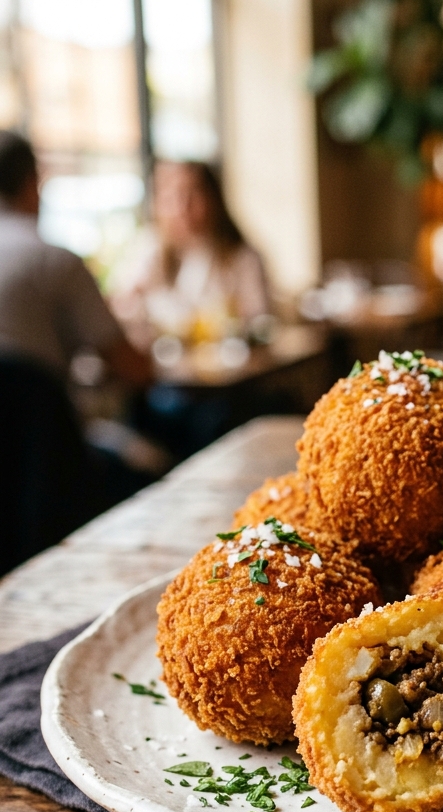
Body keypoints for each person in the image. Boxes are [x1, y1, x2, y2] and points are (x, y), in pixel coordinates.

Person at [0, 131, 152, 575]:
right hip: (48, 476)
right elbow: (134, 368)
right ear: (33, 183)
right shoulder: (53, 260)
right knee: (146, 470)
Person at [112, 161, 271, 348]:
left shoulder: (241, 257)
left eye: (192, 194)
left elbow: (259, 324)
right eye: (171, 196)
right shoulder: (150, 248)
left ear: (214, 199)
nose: (182, 207)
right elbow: (122, 306)